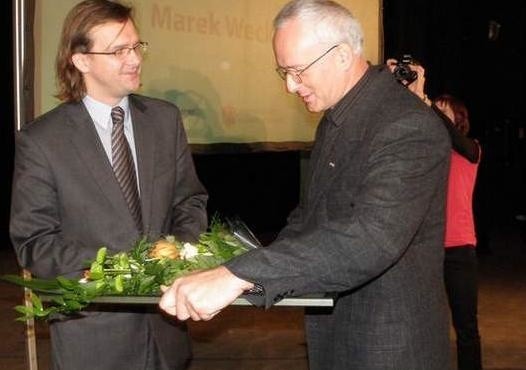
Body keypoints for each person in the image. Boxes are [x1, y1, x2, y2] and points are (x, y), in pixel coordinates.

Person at [160, 1, 451, 369]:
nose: (290, 85)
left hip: (388, 347)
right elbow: (309, 220)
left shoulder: (407, 126)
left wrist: (239, 275)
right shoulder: (336, 119)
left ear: (343, 56)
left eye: (297, 71)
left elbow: (370, 238)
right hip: (337, 336)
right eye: (283, 72)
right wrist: (231, 266)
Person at [9, 1, 208, 369]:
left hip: (167, 332)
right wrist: (120, 270)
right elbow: (34, 242)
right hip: (93, 341)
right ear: (81, 60)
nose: (134, 59)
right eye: (118, 50)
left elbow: (189, 202)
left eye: (136, 46)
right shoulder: (42, 141)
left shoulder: (165, 120)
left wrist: (178, 254)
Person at [387, 59, 483, 370]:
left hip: (459, 248)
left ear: (459, 118)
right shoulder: (427, 150)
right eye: (437, 108)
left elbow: (455, 140)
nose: (439, 113)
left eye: (445, 110)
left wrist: (426, 101)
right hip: (425, 248)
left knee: (466, 326)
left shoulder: (471, 149)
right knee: (424, 321)